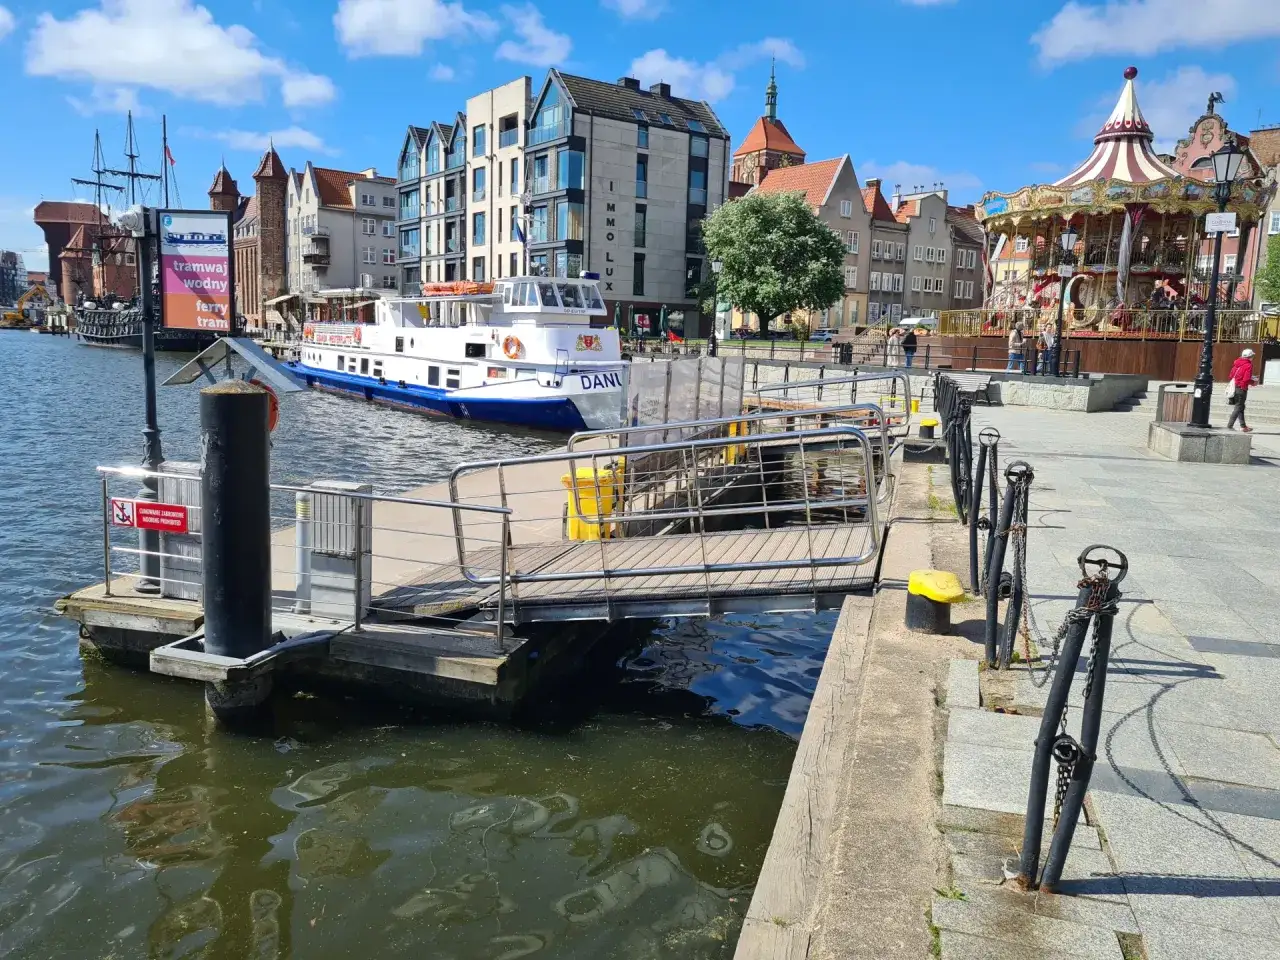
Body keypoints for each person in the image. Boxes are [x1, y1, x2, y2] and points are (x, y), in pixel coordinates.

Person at [1227, 348, 1258, 432]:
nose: (1253, 358)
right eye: (1252, 356)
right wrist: (1253, 382)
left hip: (1234, 387)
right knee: (1238, 407)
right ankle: (1229, 426)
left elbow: (1231, 375)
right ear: (1250, 356)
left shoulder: (1237, 363)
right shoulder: (1248, 365)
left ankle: (1243, 426)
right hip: (1241, 388)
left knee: (1241, 406)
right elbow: (1246, 379)